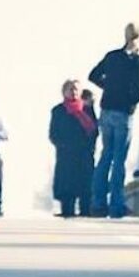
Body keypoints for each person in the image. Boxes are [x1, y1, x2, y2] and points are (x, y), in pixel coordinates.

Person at [86, 23, 139, 219]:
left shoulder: (112, 56)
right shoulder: (137, 62)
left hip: (106, 108)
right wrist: (128, 100)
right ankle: (116, 205)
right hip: (123, 112)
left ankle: (97, 203)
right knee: (119, 159)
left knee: (106, 155)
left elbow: (93, 75)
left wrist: (109, 87)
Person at [48, 80, 96, 218]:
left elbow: (94, 130)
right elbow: (53, 134)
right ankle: (66, 210)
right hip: (66, 154)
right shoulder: (58, 111)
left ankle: (85, 210)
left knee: (85, 184)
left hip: (84, 153)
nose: (73, 92)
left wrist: (89, 146)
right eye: (70, 89)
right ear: (64, 92)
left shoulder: (87, 109)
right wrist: (63, 145)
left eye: (76, 89)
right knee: (66, 185)